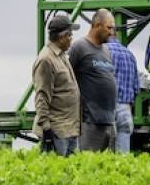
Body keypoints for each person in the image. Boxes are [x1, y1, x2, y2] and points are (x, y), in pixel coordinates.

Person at [31, 15, 81, 156]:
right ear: (61, 37)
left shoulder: (61, 55)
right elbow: (41, 96)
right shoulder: (46, 59)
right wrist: (46, 129)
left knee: (70, 175)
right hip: (56, 131)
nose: (71, 39)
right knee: (56, 173)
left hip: (69, 129)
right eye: (70, 35)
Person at [69, 8, 118, 152]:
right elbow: (67, 78)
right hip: (90, 121)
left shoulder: (107, 51)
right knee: (89, 166)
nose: (111, 32)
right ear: (97, 25)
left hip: (109, 121)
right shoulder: (79, 47)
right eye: (109, 28)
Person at [106, 29, 139, 154]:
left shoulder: (103, 51)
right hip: (125, 109)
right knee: (123, 157)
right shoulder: (129, 55)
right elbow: (136, 88)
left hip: (107, 108)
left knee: (105, 158)